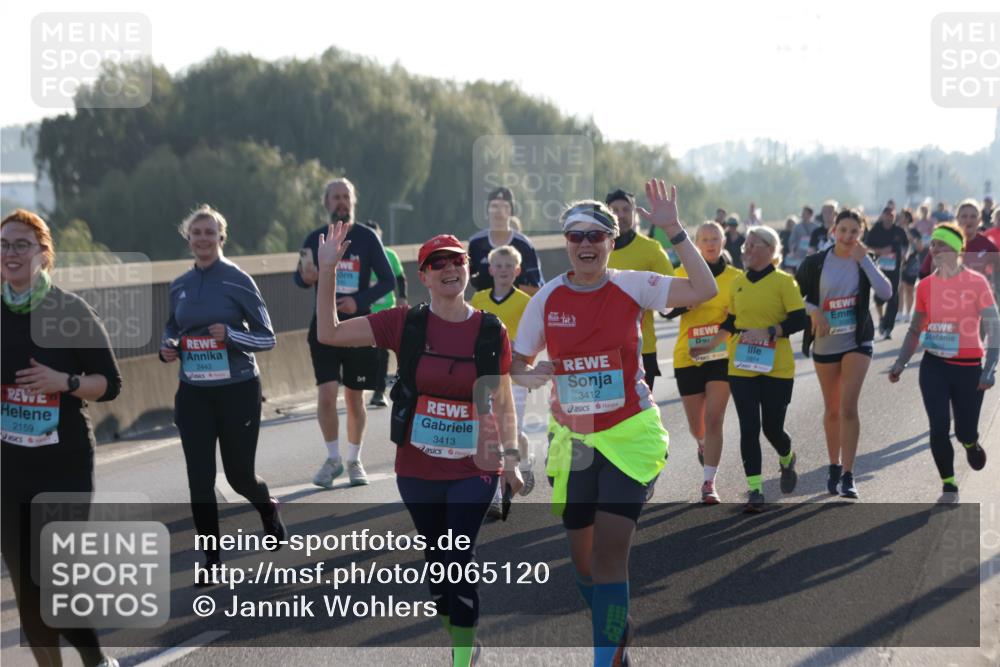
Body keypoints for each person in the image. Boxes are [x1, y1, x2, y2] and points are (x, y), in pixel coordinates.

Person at [511, 180, 717, 666]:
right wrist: (533, 372)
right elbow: (517, 365)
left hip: (630, 435)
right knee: (583, 564)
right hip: (576, 441)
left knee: (609, 553)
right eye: (576, 236)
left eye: (595, 236)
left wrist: (673, 230)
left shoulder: (632, 283)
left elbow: (703, 289)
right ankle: (615, 631)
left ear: (611, 239)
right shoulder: (546, 299)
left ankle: (604, 658)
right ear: (565, 242)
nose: (586, 245)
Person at [316, 226, 523, 666]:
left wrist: (510, 459)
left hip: (474, 465)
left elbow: (502, 398)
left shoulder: (491, 330)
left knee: (458, 555)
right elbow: (329, 333)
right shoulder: (404, 322)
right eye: (438, 264)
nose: (449, 269)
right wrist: (329, 270)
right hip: (416, 467)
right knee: (437, 566)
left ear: (469, 269)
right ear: (424, 276)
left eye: (456, 261)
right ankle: (461, 633)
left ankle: (462, 656)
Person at [2, 209, 123, 667]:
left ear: (43, 254)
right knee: (27, 590)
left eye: (21, 245)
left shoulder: (69, 310)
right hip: (8, 468)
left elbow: (110, 383)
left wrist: (64, 381)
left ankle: (95, 661)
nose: (10, 254)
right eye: (3, 244)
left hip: (64, 463)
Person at [160, 205, 285, 578]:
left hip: (238, 389)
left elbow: (268, 337)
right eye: (196, 233)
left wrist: (230, 335)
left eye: (209, 233)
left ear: (221, 238)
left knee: (239, 477)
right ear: (188, 239)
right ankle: (211, 561)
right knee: (199, 479)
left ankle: (267, 509)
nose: (202, 239)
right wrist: (168, 346)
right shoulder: (179, 285)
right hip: (194, 392)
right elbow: (171, 328)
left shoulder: (237, 279)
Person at [692, 226, 808, 513]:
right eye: (746, 244)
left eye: (754, 244)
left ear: (770, 249)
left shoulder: (785, 282)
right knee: (748, 427)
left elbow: (799, 320)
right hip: (742, 366)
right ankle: (755, 489)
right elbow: (732, 322)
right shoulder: (738, 283)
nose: (746, 248)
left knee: (772, 428)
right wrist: (706, 347)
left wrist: (770, 330)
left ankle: (786, 457)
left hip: (776, 368)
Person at [295, 178, 395, 489]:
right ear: (326, 203)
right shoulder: (315, 238)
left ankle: (354, 459)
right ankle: (332, 458)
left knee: (354, 397)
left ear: (353, 202)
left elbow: (388, 280)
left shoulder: (366, 238)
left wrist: (358, 300)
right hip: (324, 326)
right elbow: (300, 278)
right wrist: (306, 277)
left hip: (358, 327)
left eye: (346, 197)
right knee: (326, 394)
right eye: (335, 197)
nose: (341, 202)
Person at [888, 223, 998, 498]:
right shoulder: (925, 286)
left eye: (943, 245)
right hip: (934, 365)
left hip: (969, 367)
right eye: (934, 244)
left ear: (958, 249)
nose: (935, 249)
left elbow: (994, 327)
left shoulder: (976, 282)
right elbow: (915, 329)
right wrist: (900, 362)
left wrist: (990, 368)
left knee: (964, 431)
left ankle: (971, 443)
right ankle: (948, 482)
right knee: (938, 426)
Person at [795, 210, 892, 498]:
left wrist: (864, 259)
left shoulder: (865, 261)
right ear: (833, 230)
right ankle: (834, 465)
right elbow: (793, 295)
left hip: (857, 340)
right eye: (844, 230)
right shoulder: (815, 263)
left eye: (855, 231)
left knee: (849, 407)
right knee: (833, 408)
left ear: (861, 234)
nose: (849, 237)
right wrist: (813, 311)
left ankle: (849, 474)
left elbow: (885, 292)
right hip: (825, 341)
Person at [664, 221, 742, 503]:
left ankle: (709, 482)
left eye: (715, 238)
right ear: (696, 243)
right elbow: (666, 310)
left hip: (721, 354)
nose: (710, 244)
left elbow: (739, 316)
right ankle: (701, 444)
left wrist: (724, 327)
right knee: (697, 426)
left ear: (723, 242)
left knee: (714, 418)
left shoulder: (735, 277)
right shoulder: (683, 272)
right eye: (705, 239)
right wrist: (686, 303)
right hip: (689, 354)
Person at [470, 245, 536, 511]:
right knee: (491, 434)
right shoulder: (478, 299)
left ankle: (525, 460)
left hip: (514, 378)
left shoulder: (525, 302)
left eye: (509, 267)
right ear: (490, 269)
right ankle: (496, 495)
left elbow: (532, 341)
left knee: (512, 431)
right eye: (499, 266)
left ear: (517, 270)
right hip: (485, 377)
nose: (504, 271)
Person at [605, 188, 675, 390]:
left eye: (626, 210)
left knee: (641, 418)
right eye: (614, 210)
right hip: (603, 349)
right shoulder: (594, 249)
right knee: (608, 418)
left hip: (643, 348)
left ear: (634, 213)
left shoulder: (651, 249)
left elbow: (673, 294)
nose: (620, 215)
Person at [363, 220, 408, 408]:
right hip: (363, 311)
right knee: (367, 353)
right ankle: (362, 385)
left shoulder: (390, 255)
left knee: (382, 352)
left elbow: (400, 278)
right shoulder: (359, 256)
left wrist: (402, 298)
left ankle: (379, 391)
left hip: (385, 310)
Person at [468, 187, 544, 294]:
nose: (499, 211)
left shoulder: (524, 245)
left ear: (511, 212)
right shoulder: (476, 243)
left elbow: (538, 289)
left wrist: (507, 288)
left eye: (505, 206)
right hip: (484, 307)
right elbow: (465, 283)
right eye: (494, 206)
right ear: (487, 210)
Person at [918, 199, 1000, 295]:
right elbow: (924, 273)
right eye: (964, 216)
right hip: (948, 300)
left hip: (977, 301)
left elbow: (998, 274)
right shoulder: (942, 243)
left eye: (973, 217)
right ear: (957, 219)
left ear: (979, 220)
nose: (968, 220)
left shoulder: (987, 245)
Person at [864, 205, 910, 340]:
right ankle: (881, 317)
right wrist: (880, 251)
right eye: (887, 215)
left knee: (893, 296)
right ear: (883, 216)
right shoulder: (875, 230)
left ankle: (888, 327)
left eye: (892, 216)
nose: (889, 218)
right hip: (879, 267)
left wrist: (905, 254)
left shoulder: (899, 231)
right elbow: (867, 247)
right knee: (879, 296)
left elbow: (906, 245)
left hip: (895, 268)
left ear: (894, 217)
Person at [900, 229, 928, 322]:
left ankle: (908, 313)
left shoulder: (917, 240)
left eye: (909, 235)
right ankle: (900, 312)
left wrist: (913, 241)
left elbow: (921, 249)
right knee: (901, 288)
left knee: (909, 290)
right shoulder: (904, 242)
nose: (908, 236)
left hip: (913, 267)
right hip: (903, 266)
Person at [784, 205, 817, 272]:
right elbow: (791, 241)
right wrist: (793, 250)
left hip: (813, 256)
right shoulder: (797, 227)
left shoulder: (816, 227)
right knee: (801, 273)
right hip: (800, 255)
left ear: (810, 214)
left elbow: (818, 241)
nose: (802, 215)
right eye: (802, 213)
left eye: (804, 213)